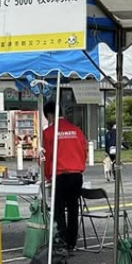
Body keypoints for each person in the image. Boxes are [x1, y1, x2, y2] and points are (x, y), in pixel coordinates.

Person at [41, 101, 88, 252]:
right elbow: (84, 151)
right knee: (73, 210)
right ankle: (72, 243)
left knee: (58, 210)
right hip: (76, 175)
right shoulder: (76, 130)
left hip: (60, 176)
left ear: (49, 115)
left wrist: (47, 176)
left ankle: (62, 240)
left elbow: (46, 157)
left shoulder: (48, 133)